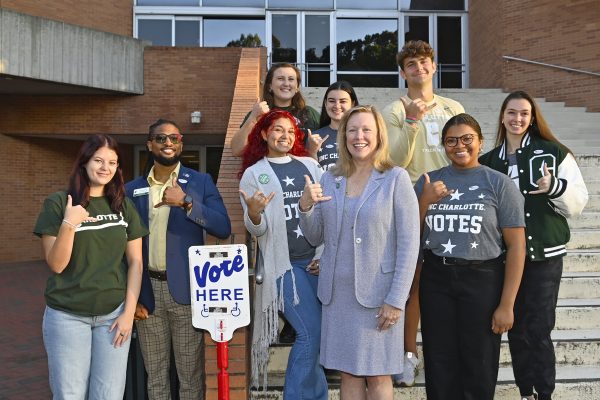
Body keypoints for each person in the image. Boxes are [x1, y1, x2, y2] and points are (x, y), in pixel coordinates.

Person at [299, 105, 420, 400]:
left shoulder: (396, 178)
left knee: (378, 374)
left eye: (366, 129)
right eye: (352, 130)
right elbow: (316, 235)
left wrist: (396, 300)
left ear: (379, 135)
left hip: (379, 297)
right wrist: (305, 206)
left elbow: (409, 242)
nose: (358, 136)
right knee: (348, 373)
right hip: (337, 296)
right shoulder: (330, 178)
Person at [479, 91, 588, 400]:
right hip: (502, 257)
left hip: (544, 256)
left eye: (524, 113)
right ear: (502, 116)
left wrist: (554, 187)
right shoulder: (488, 162)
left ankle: (544, 393)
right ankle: (526, 391)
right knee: (512, 324)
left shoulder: (553, 153)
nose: (517, 119)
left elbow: (579, 203)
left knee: (538, 328)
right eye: (511, 112)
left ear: (532, 118)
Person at [415, 113, 526, 400]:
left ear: (480, 141)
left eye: (467, 139)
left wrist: (507, 304)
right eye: (451, 140)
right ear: (443, 145)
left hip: (483, 278)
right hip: (436, 278)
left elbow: (516, 246)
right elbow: (409, 236)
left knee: (479, 363)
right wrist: (424, 200)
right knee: (439, 361)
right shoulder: (428, 181)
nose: (459, 145)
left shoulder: (499, 183)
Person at [33, 134, 147, 400]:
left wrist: (128, 314)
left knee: (108, 395)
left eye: (112, 162)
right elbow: (57, 265)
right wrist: (70, 223)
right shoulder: (59, 204)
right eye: (98, 160)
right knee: (70, 394)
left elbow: (136, 263)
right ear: (84, 162)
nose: (105, 167)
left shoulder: (123, 206)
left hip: (113, 316)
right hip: (67, 316)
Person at [126, 119, 231, 400]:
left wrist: (187, 203)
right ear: (150, 145)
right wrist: (132, 296)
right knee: (156, 376)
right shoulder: (131, 189)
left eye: (174, 138)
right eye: (161, 138)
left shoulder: (200, 182)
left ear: (181, 143)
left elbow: (223, 227)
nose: (168, 143)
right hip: (147, 291)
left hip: (186, 292)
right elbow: (122, 248)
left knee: (190, 377)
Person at [381, 39, 465, 386]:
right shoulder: (393, 110)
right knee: (412, 283)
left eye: (424, 62)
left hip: (452, 195)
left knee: (452, 279)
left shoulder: (451, 106)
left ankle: (447, 353)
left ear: (433, 66)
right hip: (412, 197)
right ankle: (408, 355)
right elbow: (394, 160)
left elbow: (464, 149)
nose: (419, 69)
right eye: (411, 64)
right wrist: (413, 121)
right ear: (403, 73)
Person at [238, 109, 327, 399]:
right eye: (277, 129)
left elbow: (329, 213)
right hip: (283, 268)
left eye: (290, 131)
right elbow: (258, 231)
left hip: (316, 263)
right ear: (264, 134)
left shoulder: (311, 166)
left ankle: (317, 394)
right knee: (310, 332)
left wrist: (324, 255)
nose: (284, 136)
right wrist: (253, 212)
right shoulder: (254, 174)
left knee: (319, 335)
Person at [230, 62, 321, 158]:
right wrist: (253, 117)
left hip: (301, 171)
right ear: (270, 86)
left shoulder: (309, 114)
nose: (286, 83)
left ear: (297, 87)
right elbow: (237, 150)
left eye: (291, 79)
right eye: (280, 79)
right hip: (266, 171)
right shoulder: (259, 113)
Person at [313, 80, 360, 170]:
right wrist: (311, 151)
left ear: (353, 104)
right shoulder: (314, 137)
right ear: (325, 103)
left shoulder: (361, 136)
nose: (337, 106)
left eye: (343, 101)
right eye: (331, 101)